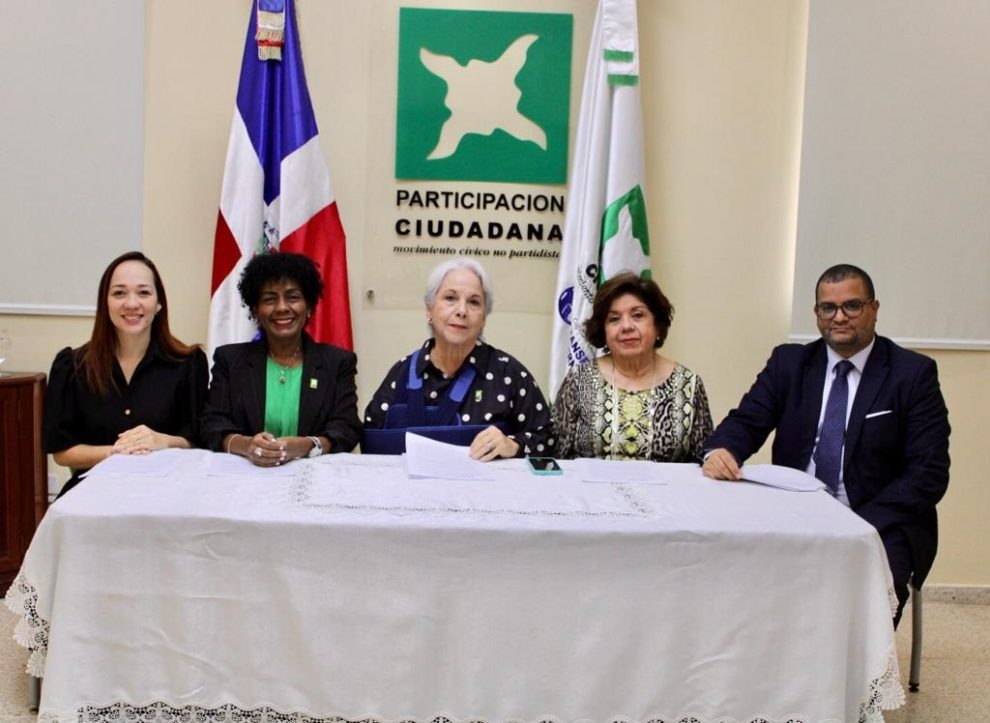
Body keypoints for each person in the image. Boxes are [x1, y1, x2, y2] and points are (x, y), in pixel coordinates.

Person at [702, 263, 950, 625]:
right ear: (816, 313)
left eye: (852, 306)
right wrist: (721, 450)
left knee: (864, 612)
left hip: (879, 520)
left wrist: (854, 523)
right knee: (734, 583)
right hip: (793, 509)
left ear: (873, 309)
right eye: (827, 308)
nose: (839, 317)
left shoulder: (912, 374)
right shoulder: (790, 363)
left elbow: (928, 474)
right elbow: (747, 420)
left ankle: (850, 680)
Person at [44, 251, 208, 496]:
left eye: (143, 292)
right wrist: (117, 453)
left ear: (159, 303)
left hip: (167, 493)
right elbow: (62, 451)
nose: (132, 304)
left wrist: (162, 441)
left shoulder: (189, 364)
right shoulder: (71, 366)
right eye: (119, 293)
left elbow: (199, 441)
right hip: (93, 493)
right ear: (105, 302)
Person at [364, 257, 552, 460]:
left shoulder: (509, 374)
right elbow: (369, 442)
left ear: (483, 319)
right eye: (450, 298)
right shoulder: (401, 373)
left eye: (473, 302)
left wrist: (514, 444)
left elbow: (548, 440)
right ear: (429, 309)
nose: (462, 311)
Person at [200, 253, 360, 464]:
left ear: (309, 306)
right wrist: (247, 446)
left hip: (313, 480)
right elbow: (212, 424)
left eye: (293, 297)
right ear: (256, 310)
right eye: (269, 299)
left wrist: (307, 445)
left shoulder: (337, 362)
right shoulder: (230, 360)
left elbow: (346, 428)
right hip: (244, 479)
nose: (282, 307)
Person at [552, 272, 713, 462]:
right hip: (590, 491)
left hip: (667, 492)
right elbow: (555, 458)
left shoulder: (688, 385)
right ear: (603, 330)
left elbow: (705, 461)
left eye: (637, 315)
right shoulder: (580, 379)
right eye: (614, 319)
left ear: (658, 326)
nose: (626, 326)